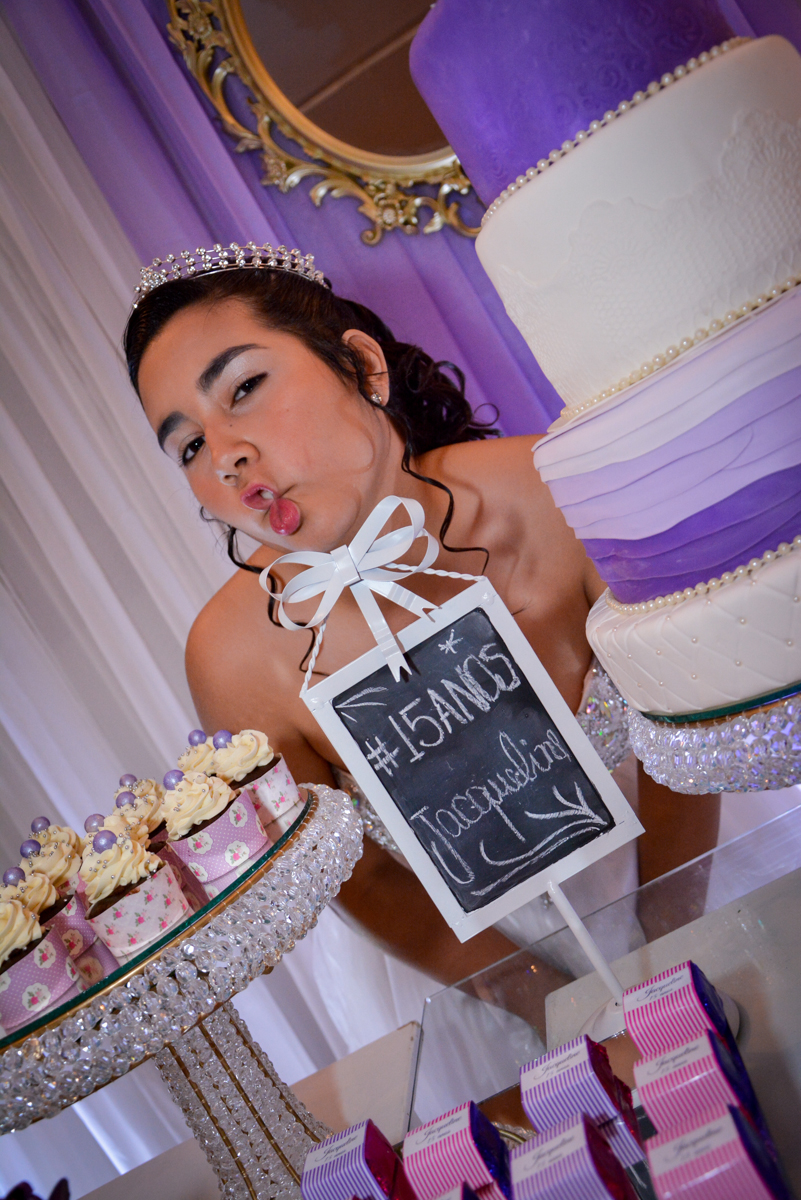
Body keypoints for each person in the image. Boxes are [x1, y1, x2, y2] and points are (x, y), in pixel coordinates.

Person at [125, 246, 720, 987]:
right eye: (188, 445)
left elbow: (685, 719)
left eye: (244, 387)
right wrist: (556, 1008)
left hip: (711, 886)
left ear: (362, 367)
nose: (227, 457)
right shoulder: (231, 656)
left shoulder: (554, 488)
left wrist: (670, 951)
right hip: (487, 986)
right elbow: (365, 881)